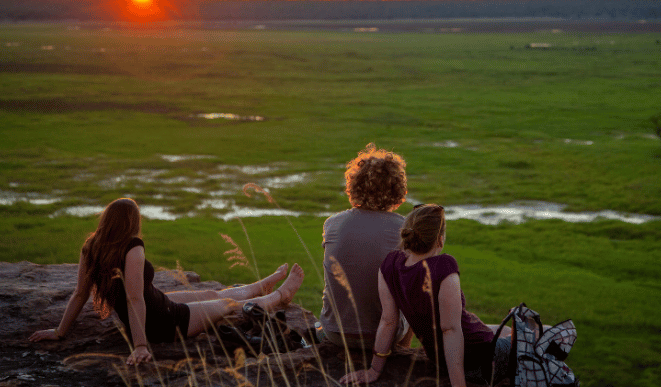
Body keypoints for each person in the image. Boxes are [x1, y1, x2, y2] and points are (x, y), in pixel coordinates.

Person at [29, 198, 304, 366]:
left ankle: (263, 284)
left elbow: (80, 294)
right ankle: (281, 296)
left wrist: (60, 331)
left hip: (159, 303)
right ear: (131, 223)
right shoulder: (132, 247)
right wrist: (140, 346)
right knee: (227, 305)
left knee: (209, 292)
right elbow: (133, 299)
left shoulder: (92, 245)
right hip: (164, 321)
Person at [340, 204, 512, 387]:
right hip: (479, 358)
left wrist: (374, 370)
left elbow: (388, 320)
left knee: (506, 330)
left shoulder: (389, 264)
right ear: (440, 240)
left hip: (441, 358)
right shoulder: (443, 266)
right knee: (537, 333)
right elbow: (450, 330)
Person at [321, 143, 411, 350]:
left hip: (335, 332)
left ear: (353, 186)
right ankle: (404, 352)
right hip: (386, 336)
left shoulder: (332, 223)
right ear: (398, 190)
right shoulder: (405, 228)